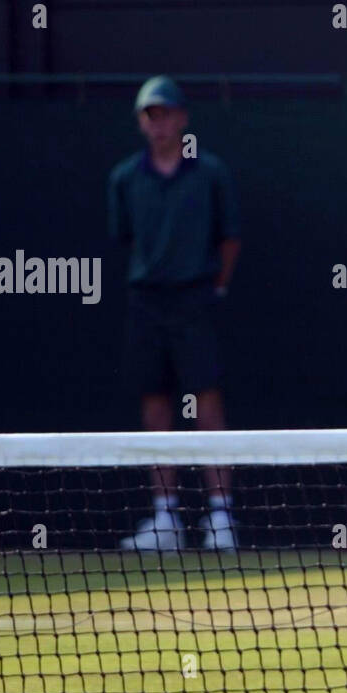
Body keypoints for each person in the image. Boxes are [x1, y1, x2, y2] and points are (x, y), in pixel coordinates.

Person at [109, 75, 242, 551]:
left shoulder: (210, 173)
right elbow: (124, 237)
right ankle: (166, 518)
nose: (158, 122)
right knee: (154, 403)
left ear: (183, 118)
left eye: (165, 113)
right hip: (147, 302)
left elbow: (230, 237)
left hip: (195, 301)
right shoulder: (125, 178)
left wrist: (216, 287)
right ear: (142, 123)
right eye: (150, 114)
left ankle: (220, 517)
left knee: (207, 401)